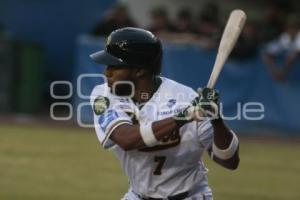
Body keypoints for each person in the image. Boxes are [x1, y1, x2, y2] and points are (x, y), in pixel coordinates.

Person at [90, 27, 240, 200]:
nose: (106, 72)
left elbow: (229, 161)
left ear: (139, 71)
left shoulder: (186, 98)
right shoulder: (103, 95)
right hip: (137, 195)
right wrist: (184, 116)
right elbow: (127, 139)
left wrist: (217, 120)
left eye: (115, 66)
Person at [263, 15, 300, 82]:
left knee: (292, 55)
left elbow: (295, 53)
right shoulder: (285, 36)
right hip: (284, 66)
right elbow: (271, 50)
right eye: (289, 28)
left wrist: (283, 72)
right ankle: (277, 74)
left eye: (293, 27)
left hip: (295, 63)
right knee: (266, 55)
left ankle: (283, 74)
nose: (291, 30)